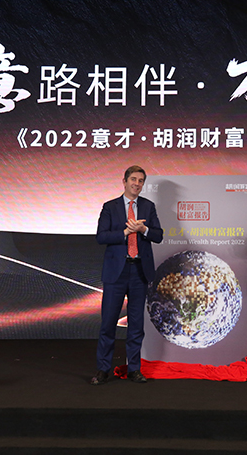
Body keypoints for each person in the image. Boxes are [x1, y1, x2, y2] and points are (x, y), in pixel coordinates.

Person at [90, 165, 163, 385]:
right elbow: (101, 237)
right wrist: (125, 232)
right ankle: (103, 369)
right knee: (108, 322)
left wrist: (143, 230)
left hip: (139, 271)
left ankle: (134, 369)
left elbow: (158, 235)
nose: (137, 184)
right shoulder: (110, 207)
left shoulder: (148, 207)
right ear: (124, 181)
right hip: (116, 272)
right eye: (133, 179)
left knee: (136, 324)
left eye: (141, 181)